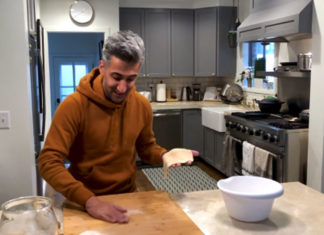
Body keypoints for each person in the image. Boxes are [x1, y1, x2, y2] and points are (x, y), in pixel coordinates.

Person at [38, 30, 198, 224]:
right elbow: (47, 161)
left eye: (130, 79)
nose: (122, 88)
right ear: (102, 67)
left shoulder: (141, 105)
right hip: (83, 200)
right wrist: (89, 201)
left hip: (127, 196)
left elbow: (146, 148)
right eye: (116, 77)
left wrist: (165, 155)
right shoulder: (74, 105)